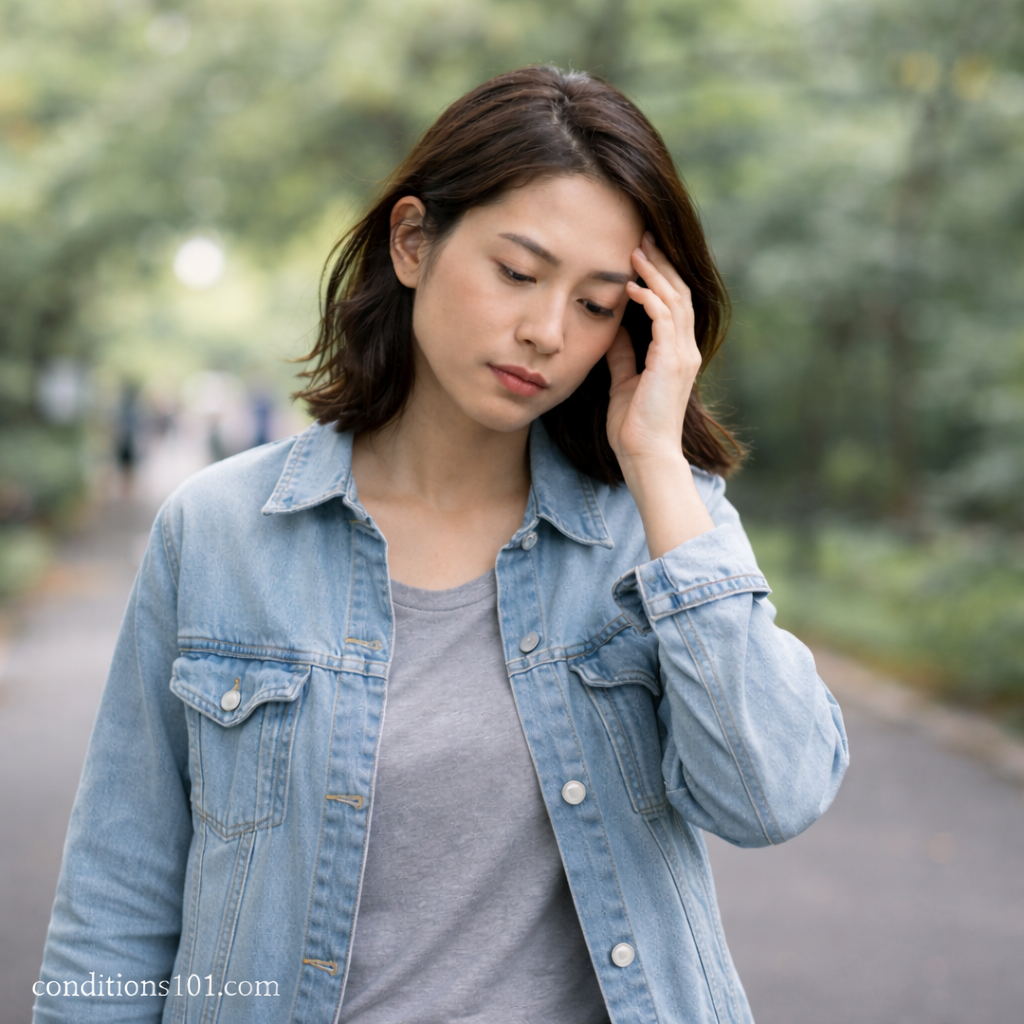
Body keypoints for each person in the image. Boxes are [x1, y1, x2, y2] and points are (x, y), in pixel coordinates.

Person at [34, 66, 848, 1024]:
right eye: (516, 272)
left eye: (595, 304)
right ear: (414, 241)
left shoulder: (662, 530)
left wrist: (660, 468)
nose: (545, 331)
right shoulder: (220, 532)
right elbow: (116, 901)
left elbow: (769, 796)